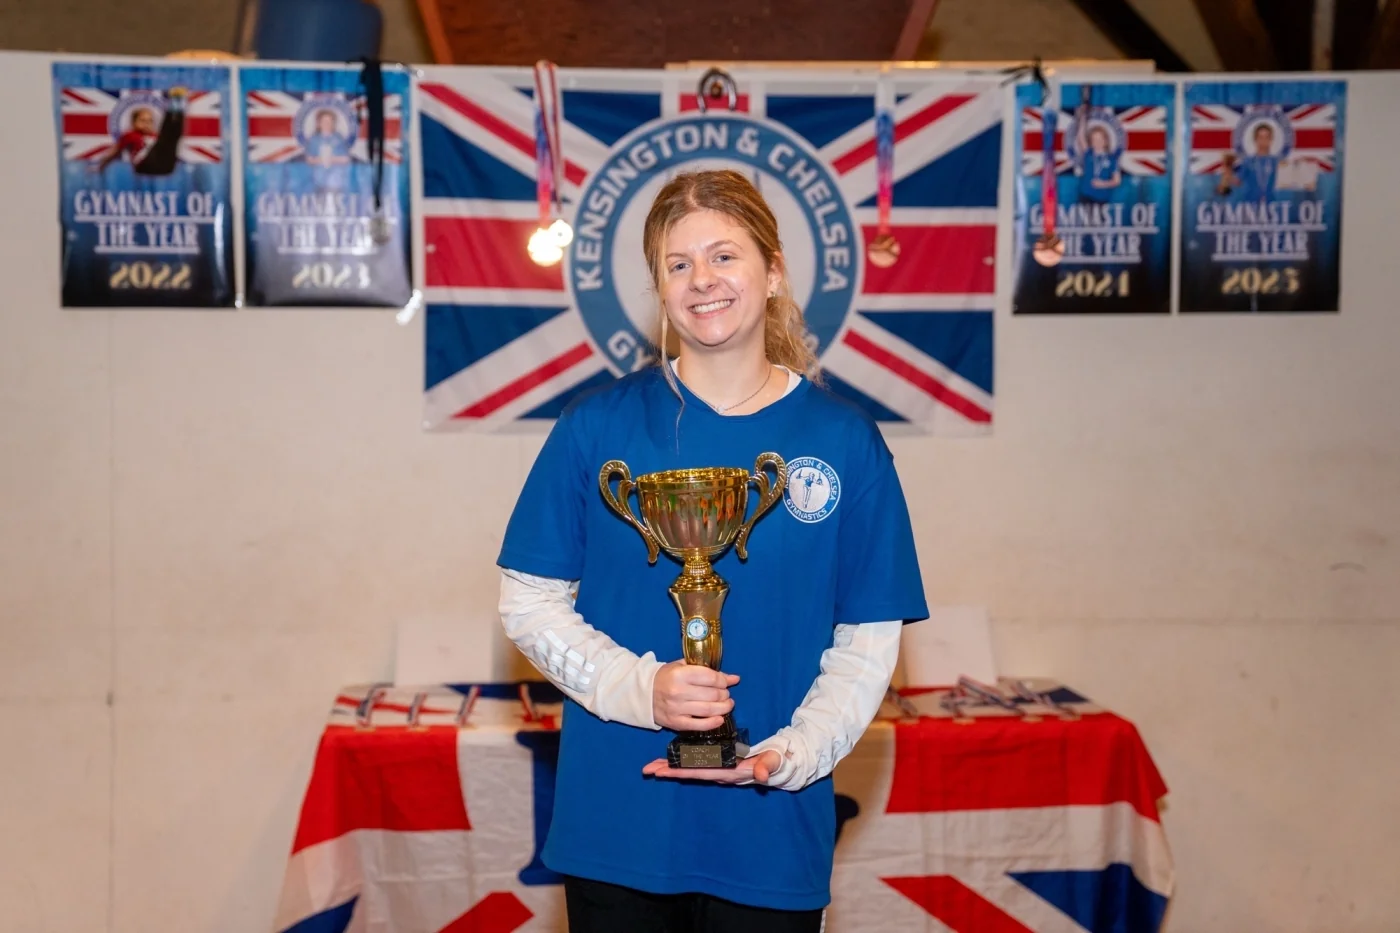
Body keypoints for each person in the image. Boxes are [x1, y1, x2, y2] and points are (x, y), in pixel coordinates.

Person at [496, 169, 928, 932]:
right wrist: (641, 688)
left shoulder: (844, 442)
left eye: (724, 256)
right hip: (618, 821)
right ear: (658, 288)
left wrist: (793, 754)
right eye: (678, 263)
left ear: (773, 270)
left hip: (770, 824)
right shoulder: (595, 429)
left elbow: (866, 640)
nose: (703, 281)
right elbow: (527, 603)